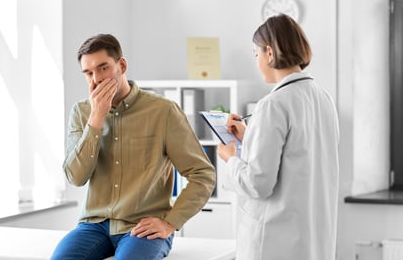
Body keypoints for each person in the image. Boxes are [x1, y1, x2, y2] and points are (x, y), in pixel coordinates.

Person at [50, 33, 216, 260]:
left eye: (103, 68)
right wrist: (96, 119)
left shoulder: (163, 111)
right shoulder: (81, 113)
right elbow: (76, 177)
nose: (96, 80)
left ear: (122, 65)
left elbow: (202, 174)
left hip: (142, 228)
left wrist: (170, 222)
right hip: (94, 225)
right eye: (88, 73)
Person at [217, 14, 339, 260]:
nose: (257, 61)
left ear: (269, 53)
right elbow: (300, 154)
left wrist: (230, 159)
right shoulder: (323, 98)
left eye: (256, 54)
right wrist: (250, 135)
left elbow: (258, 183)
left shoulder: (273, 104)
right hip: (313, 241)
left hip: (275, 243)